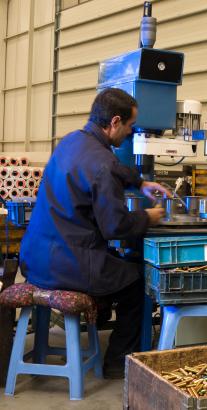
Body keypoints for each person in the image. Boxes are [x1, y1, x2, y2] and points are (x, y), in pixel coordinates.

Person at [20, 88, 169, 379]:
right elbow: (115, 227)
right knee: (139, 282)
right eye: (129, 127)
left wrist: (139, 183)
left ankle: (98, 320)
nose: (129, 133)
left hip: (35, 259)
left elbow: (110, 169)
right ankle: (117, 364)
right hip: (67, 266)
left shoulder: (70, 141)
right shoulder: (104, 164)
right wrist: (148, 216)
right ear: (115, 122)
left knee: (113, 262)